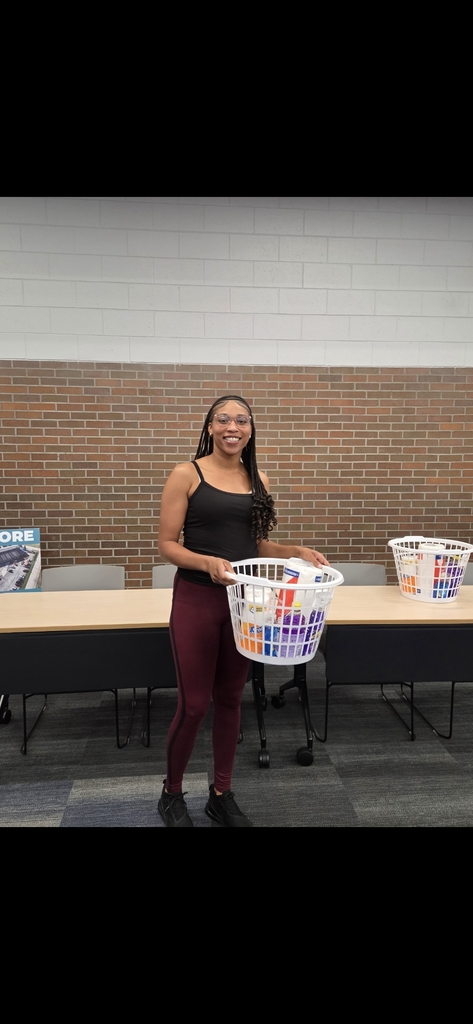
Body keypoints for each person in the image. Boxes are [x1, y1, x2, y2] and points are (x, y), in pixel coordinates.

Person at [157, 395, 329, 828]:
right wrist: (207, 563)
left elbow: (255, 546)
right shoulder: (187, 473)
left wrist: (294, 550)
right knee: (194, 705)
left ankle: (221, 793)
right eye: (223, 419)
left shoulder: (259, 479)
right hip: (197, 600)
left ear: (250, 429)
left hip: (245, 604)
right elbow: (167, 545)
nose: (232, 426)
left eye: (241, 420)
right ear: (211, 427)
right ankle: (172, 793)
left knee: (232, 698)